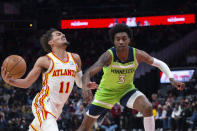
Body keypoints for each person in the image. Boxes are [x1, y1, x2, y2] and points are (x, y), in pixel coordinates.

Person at [78, 24, 185, 131]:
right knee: (84, 128)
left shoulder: (137, 54)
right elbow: (88, 73)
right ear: (114, 41)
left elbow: (159, 63)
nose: (121, 41)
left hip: (126, 90)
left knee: (147, 107)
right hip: (106, 93)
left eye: (124, 39)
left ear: (129, 40)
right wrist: (85, 87)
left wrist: (172, 79)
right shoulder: (108, 56)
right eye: (118, 39)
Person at [1, 28, 97, 131]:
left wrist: (86, 84)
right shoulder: (44, 61)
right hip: (43, 103)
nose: (63, 34)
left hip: (57, 109)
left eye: (62, 33)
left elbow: (79, 82)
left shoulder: (75, 58)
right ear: (51, 42)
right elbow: (27, 82)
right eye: (58, 34)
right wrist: (9, 81)